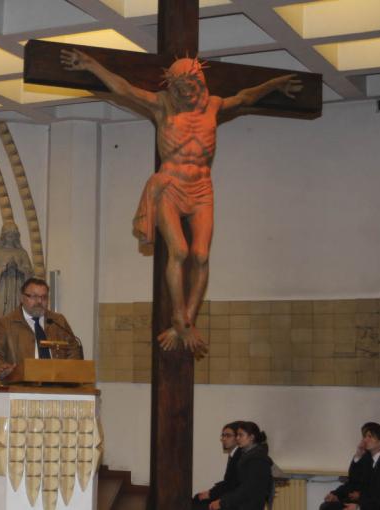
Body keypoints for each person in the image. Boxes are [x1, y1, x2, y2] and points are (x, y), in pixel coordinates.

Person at [60, 49, 302, 358]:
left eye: (190, 87)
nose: (186, 94)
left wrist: (275, 84)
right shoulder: (162, 105)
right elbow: (125, 89)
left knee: (201, 255)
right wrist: (92, 65)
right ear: (172, 88)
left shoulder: (213, 106)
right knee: (180, 251)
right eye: (179, 89)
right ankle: (179, 318)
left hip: (201, 188)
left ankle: (186, 321)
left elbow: (245, 97)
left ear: (200, 83)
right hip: (171, 186)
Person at [0, 277, 83, 380]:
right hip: (21, 384)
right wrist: (3, 369)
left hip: (57, 383)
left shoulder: (58, 321)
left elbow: (73, 349)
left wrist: (68, 371)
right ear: (22, 298)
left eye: (44, 297)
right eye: (34, 296)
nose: (39, 301)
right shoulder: (5, 323)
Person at [209, 421, 273, 510]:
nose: (237, 438)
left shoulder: (258, 459)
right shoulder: (248, 455)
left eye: (240, 435)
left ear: (251, 437)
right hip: (242, 503)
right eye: (237, 435)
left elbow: (248, 489)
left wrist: (222, 502)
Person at [321, 422, 379, 510]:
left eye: (369, 436)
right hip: (355, 500)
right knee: (326, 506)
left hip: (366, 503)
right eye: (364, 436)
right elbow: (352, 481)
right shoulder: (366, 456)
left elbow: (379, 492)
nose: (365, 440)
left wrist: (360, 496)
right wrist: (335, 495)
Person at [0, 220, 33, 323]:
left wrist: (19, 268)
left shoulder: (22, 253)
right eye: (8, 235)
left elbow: (29, 273)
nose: (11, 238)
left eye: (13, 235)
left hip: (17, 289)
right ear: (3, 236)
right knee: (0, 316)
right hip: (2, 290)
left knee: (17, 314)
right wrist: (5, 267)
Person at [193, 421, 243, 508]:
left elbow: (233, 485)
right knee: (197, 498)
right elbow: (228, 482)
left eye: (228, 435)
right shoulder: (234, 454)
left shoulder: (240, 456)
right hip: (229, 496)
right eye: (223, 435)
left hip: (234, 501)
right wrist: (210, 492)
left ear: (237, 438)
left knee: (199, 503)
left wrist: (212, 494)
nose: (224, 439)